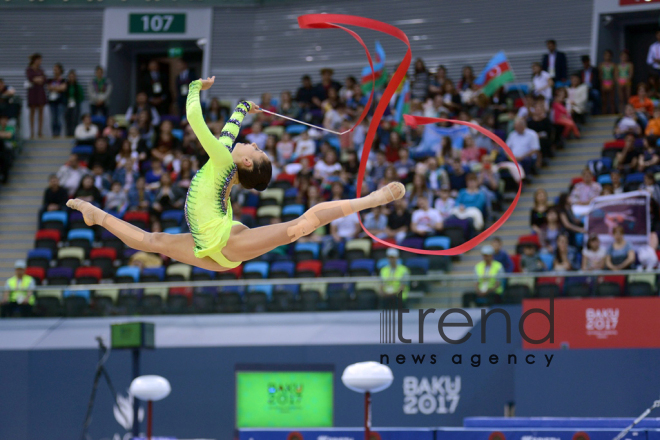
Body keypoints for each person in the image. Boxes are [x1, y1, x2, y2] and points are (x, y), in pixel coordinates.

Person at [67, 77, 406, 272]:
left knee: (297, 228)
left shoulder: (222, 159)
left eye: (256, 151)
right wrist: (243, 106)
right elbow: (230, 130)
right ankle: (99, 216)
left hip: (225, 242)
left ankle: (372, 199)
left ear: (246, 165)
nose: (253, 143)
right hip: (207, 247)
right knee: (153, 242)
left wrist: (194, 87)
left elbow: (195, 119)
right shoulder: (225, 157)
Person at [26, 53, 47, 139]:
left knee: (41, 112)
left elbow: (44, 79)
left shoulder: (41, 70)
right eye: (39, 60)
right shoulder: (29, 70)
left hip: (40, 92)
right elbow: (31, 78)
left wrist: (37, 79)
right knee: (32, 112)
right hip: (33, 92)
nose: (40, 62)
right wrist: (38, 79)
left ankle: (40, 132)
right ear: (34, 60)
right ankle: (32, 132)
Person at [47, 63, 67, 137]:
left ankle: (58, 133)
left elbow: (63, 88)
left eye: (56, 69)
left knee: (59, 118)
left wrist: (54, 87)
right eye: (54, 69)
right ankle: (54, 133)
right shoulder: (50, 80)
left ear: (60, 70)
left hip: (60, 101)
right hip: (52, 101)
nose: (55, 70)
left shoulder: (63, 80)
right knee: (53, 118)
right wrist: (57, 88)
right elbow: (48, 87)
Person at [64, 70, 85, 138]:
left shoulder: (78, 86)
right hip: (67, 104)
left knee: (75, 120)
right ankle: (68, 134)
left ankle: (74, 134)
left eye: (73, 76)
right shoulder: (66, 86)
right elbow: (63, 95)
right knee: (68, 120)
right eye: (70, 76)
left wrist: (76, 100)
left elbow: (81, 96)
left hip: (76, 104)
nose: (71, 78)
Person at [600, 50, 617, 115]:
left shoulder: (613, 65)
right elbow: (600, 75)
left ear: (611, 56)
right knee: (604, 100)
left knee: (611, 99)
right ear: (604, 56)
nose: (607, 57)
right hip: (604, 82)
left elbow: (614, 75)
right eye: (606, 55)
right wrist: (601, 84)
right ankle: (604, 113)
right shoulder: (601, 65)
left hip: (611, 82)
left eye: (609, 55)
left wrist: (613, 83)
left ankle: (612, 113)